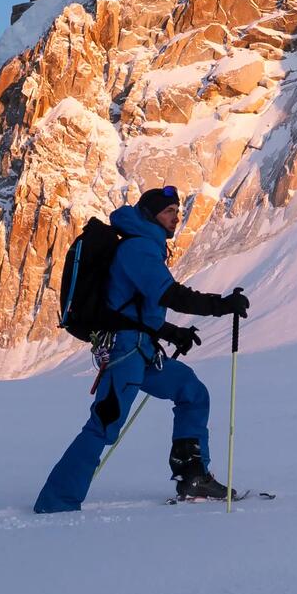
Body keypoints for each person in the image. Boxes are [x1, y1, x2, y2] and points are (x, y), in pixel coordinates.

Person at [35, 186, 251, 513]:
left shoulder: (146, 247)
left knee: (191, 390)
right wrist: (221, 305)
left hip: (142, 351)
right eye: (168, 211)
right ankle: (56, 502)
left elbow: (137, 309)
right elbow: (170, 295)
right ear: (150, 215)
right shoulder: (138, 250)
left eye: (177, 211)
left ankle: (193, 476)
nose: (175, 216)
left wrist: (172, 332)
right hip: (125, 353)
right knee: (104, 425)